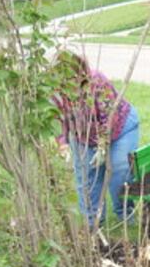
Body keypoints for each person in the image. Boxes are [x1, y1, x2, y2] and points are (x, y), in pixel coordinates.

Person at [53, 51, 140, 227]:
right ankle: (93, 223)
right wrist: (62, 144)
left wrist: (102, 146)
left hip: (120, 129)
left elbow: (109, 117)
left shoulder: (97, 81)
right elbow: (55, 118)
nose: (69, 82)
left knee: (119, 170)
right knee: (87, 179)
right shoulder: (56, 91)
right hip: (83, 137)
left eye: (72, 77)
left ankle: (125, 214)